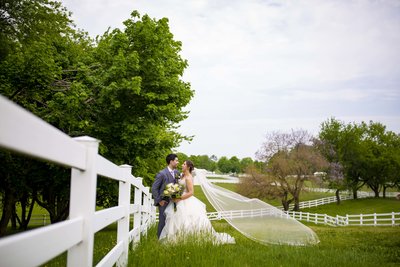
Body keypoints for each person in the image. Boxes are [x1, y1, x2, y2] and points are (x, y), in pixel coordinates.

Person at [159, 160, 235, 244]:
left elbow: (191, 192)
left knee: (187, 220)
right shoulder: (182, 176)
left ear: (188, 167)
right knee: (175, 219)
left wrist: (179, 198)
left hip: (185, 201)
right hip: (178, 201)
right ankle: (175, 239)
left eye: (184, 164)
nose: (182, 165)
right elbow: (178, 187)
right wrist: (172, 192)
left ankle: (188, 239)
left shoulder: (189, 178)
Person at [152, 153, 180, 238]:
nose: (178, 162)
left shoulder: (177, 172)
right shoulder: (162, 173)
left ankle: (170, 239)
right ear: (171, 161)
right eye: (176, 160)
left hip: (174, 202)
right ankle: (159, 240)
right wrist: (159, 201)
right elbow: (154, 188)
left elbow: (178, 185)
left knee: (173, 221)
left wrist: (177, 196)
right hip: (164, 202)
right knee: (163, 221)